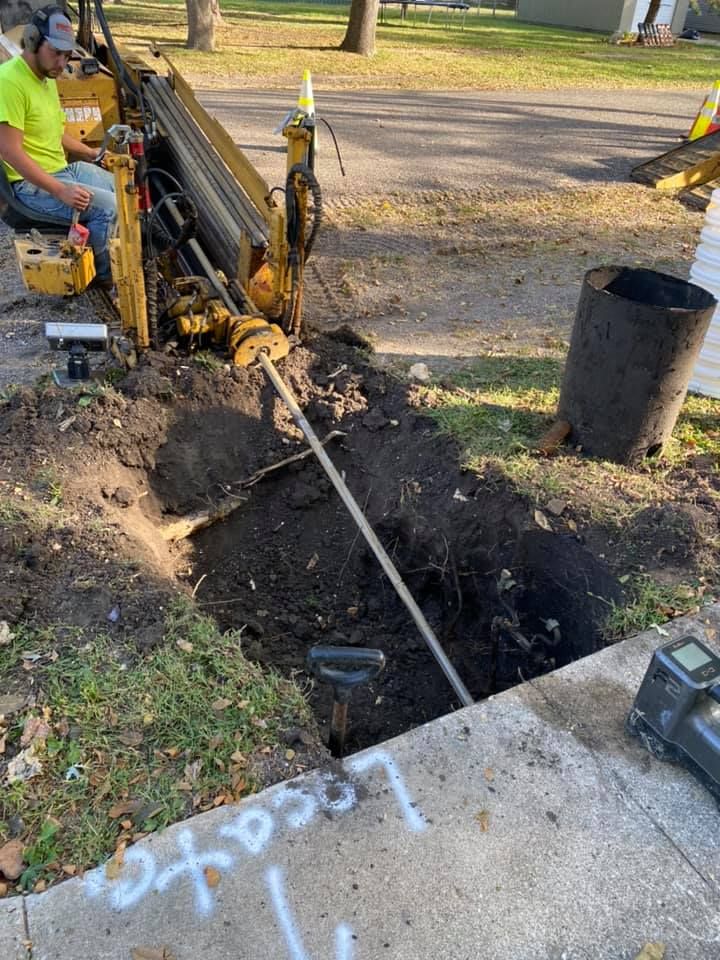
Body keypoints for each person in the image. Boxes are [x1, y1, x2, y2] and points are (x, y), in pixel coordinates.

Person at [0, 4, 117, 285]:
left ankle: (110, 248)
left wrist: (93, 153)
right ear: (32, 41)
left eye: (67, 55)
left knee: (122, 188)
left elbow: (54, 130)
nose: (62, 63)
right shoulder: (9, 83)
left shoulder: (46, 76)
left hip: (62, 170)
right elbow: (10, 151)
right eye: (56, 53)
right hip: (31, 186)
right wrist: (60, 190)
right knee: (109, 207)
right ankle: (104, 278)